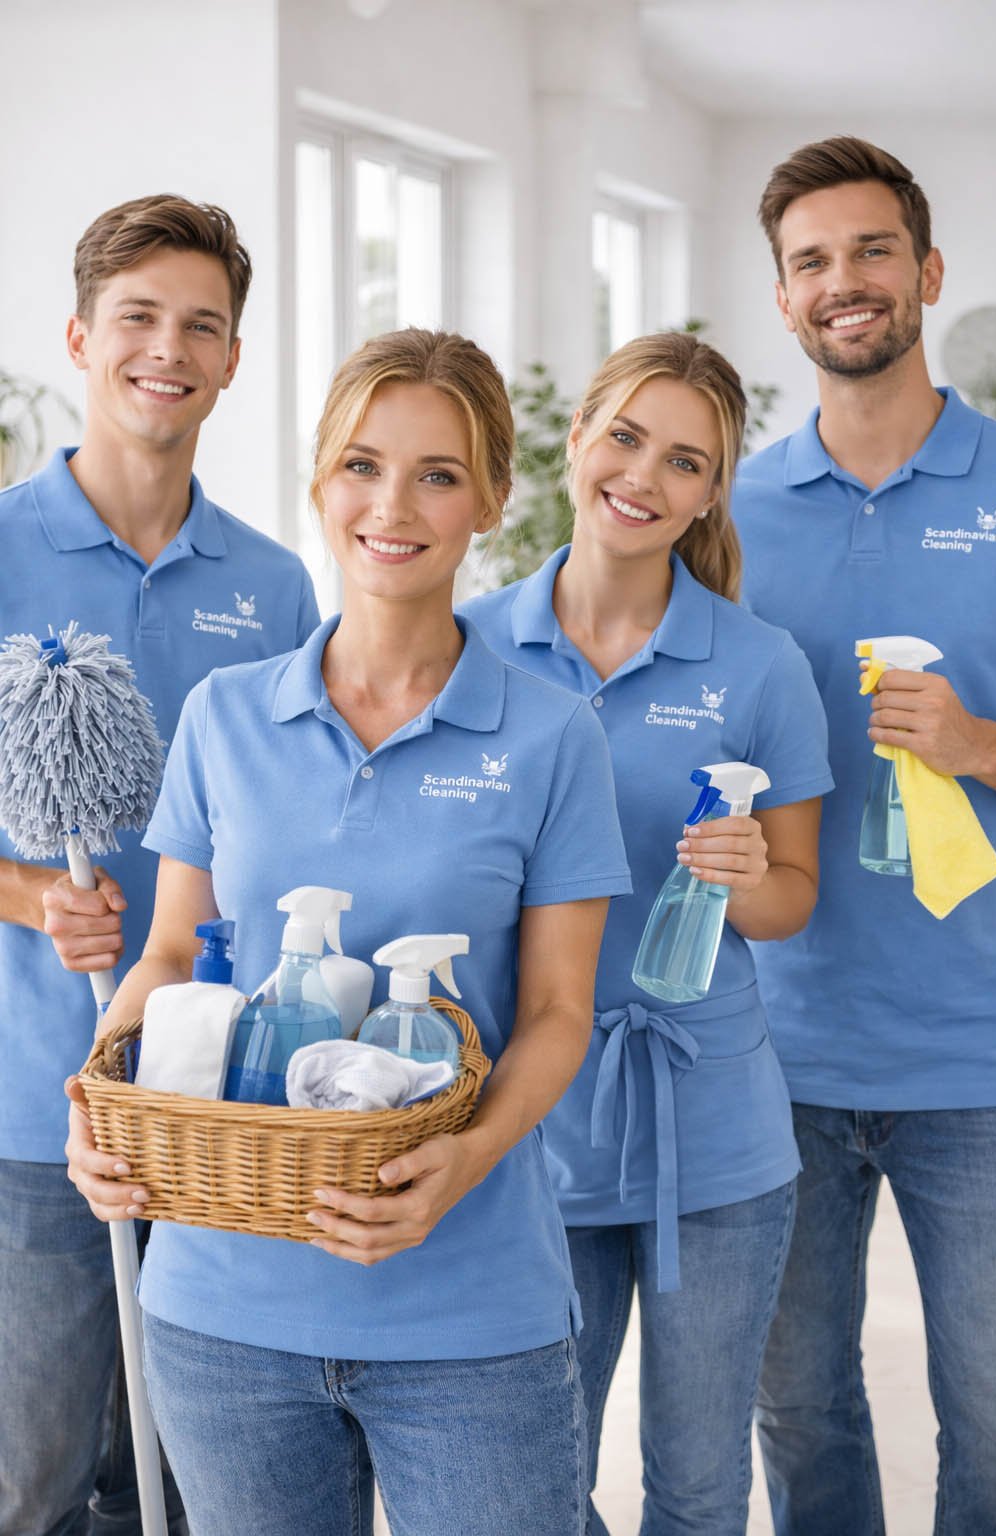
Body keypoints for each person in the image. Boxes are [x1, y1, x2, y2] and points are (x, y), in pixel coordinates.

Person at [65, 326, 633, 1536]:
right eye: (362, 466)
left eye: (438, 474)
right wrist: (100, 1095)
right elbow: (170, 955)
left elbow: (555, 1013)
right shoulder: (225, 715)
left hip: (468, 1310)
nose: (392, 506)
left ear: (491, 500)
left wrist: (463, 1161)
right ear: (321, 480)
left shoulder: (550, 737)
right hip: (224, 1311)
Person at [463, 331, 833, 1535]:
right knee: (534, 1480)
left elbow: (793, 899)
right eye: (624, 437)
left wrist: (746, 874)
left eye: (685, 461)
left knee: (698, 1482)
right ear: (577, 438)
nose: (644, 477)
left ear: (713, 493)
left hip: (712, 1129)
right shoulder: (469, 646)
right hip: (530, 1122)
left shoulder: (760, 665)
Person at [0, 195, 319, 1535]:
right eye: (138, 317)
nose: (167, 350)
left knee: (191, 1487)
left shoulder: (277, 584)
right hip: (32, 1105)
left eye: (201, 325)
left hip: (210, 1109)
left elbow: (299, 814)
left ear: (233, 357)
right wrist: (28, 892)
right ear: (81, 336)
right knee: (34, 1483)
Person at [732, 137, 996, 1535]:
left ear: (928, 271)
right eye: (811, 261)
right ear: (783, 298)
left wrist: (978, 747)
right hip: (770, 1054)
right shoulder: (726, 512)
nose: (842, 280)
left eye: (870, 250)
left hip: (987, 1057)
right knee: (798, 1410)